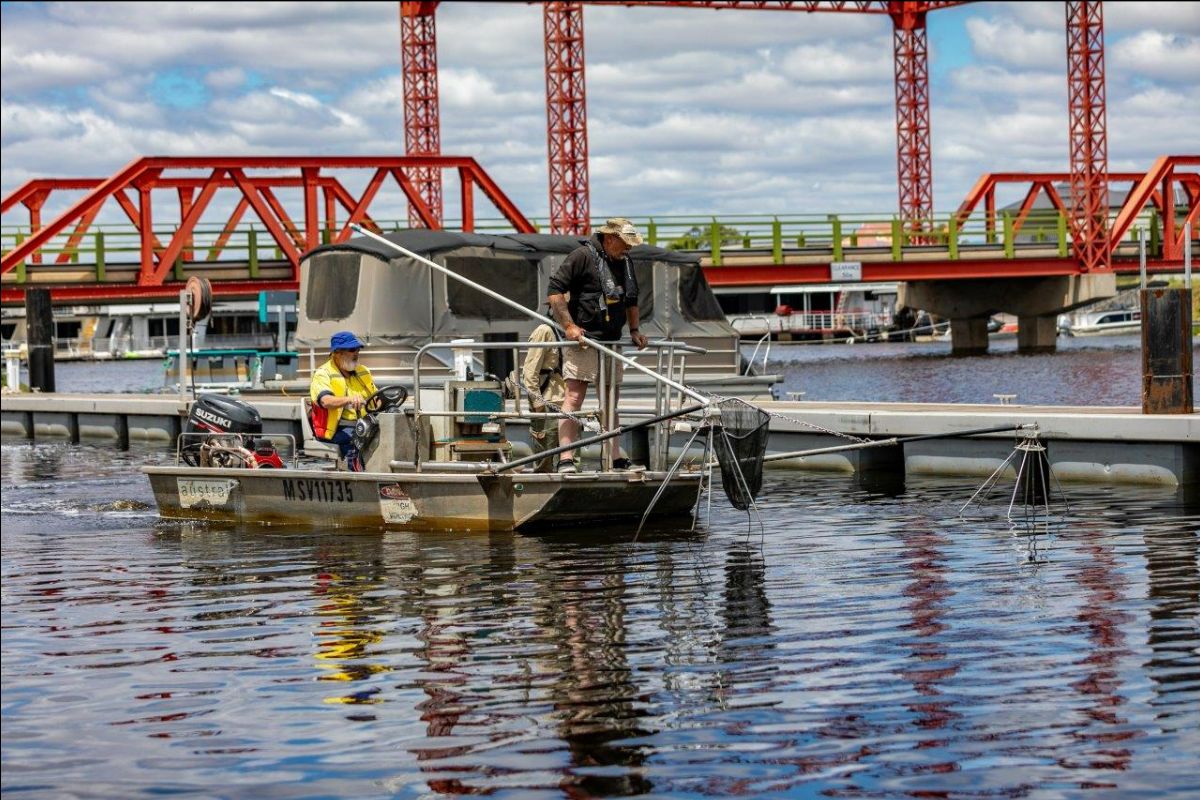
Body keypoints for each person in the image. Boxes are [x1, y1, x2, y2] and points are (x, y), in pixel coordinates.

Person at [546, 217, 649, 473]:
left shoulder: (625, 261)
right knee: (574, 396)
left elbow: (631, 299)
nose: (628, 249)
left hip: (612, 341)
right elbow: (555, 290)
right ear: (610, 238)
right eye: (625, 243)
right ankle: (566, 458)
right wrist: (569, 325)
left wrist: (634, 330)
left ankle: (614, 458)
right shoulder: (582, 256)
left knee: (610, 399)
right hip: (584, 340)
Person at [308, 330, 378, 471]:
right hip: (334, 429)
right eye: (352, 350)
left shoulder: (363, 371)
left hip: (363, 424)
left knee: (388, 432)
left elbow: (377, 399)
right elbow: (326, 401)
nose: (356, 353)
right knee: (356, 440)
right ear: (338, 352)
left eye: (358, 349)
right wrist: (349, 399)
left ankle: (387, 473)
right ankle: (359, 478)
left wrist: (389, 403)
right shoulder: (323, 374)